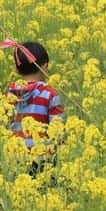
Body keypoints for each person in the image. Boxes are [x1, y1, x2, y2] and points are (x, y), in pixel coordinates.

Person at [5, 41, 66, 173]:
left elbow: (4, 124)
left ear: (16, 69)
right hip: (42, 160)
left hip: (15, 157)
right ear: (44, 67)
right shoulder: (50, 94)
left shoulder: (10, 94)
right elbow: (58, 130)